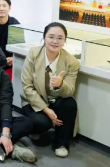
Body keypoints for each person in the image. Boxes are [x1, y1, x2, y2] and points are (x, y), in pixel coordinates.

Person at [20, 22, 79, 158]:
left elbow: (70, 90)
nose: (55, 41)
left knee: (70, 104)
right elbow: (27, 87)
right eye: (51, 37)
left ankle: (61, 143)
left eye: (60, 38)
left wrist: (61, 84)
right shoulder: (33, 54)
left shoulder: (72, 62)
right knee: (42, 122)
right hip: (33, 101)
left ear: (65, 41)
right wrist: (46, 110)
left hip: (55, 100)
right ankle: (34, 129)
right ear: (44, 38)